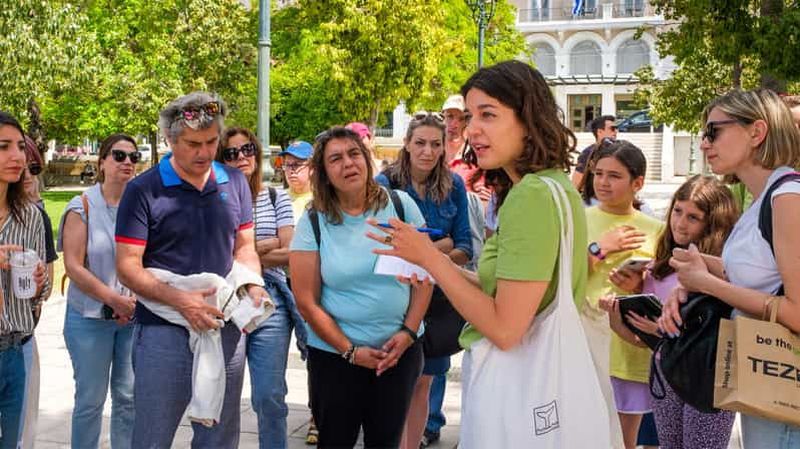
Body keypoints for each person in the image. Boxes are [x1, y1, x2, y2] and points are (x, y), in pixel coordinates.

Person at [365, 61, 603, 446]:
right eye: (471, 115)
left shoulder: (530, 196)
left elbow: (505, 328)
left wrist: (427, 258)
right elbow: (508, 286)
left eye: (488, 115)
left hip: (517, 386)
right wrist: (434, 261)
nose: (471, 129)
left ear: (528, 118)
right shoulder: (554, 186)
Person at [115, 92, 269, 448]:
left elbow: (244, 248)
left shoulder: (234, 181)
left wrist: (253, 287)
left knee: (219, 436)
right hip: (162, 331)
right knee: (153, 436)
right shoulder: (143, 189)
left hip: (223, 326)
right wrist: (182, 301)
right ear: (170, 140)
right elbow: (126, 266)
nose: (204, 152)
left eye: (212, 141)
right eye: (192, 144)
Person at [661, 88, 800, 448]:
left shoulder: (786, 198)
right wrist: (699, 270)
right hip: (764, 378)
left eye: (713, 131)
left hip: (784, 386)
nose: (704, 143)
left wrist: (708, 283)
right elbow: (764, 275)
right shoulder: (766, 196)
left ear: (757, 132)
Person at [289, 126, 431, 448]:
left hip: (398, 354)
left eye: (354, 154)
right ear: (324, 172)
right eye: (335, 159)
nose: (348, 164)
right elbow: (306, 301)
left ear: (366, 159)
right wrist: (350, 351)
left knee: (386, 441)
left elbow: (426, 276)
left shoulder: (401, 205)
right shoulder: (314, 220)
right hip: (335, 358)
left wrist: (408, 333)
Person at [602, 175, 738, 448]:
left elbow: (724, 332)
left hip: (708, 379)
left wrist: (666, 333)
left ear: (712, 224)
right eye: (677, 211)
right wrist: (625, 308)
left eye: (693, 217)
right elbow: (645, 340)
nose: (680, 222)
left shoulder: (724, 270)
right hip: (665, 373)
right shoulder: (659, 265)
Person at [375, 112, 472, 449]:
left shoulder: (454, 184)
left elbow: (464, 246)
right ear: (407, 143)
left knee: (424, 381)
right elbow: (382, 243)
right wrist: (436, 245)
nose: (428, 151)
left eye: (435, 144)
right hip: (396, 294)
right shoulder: (386, 183)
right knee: (395, 381)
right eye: (421, 143)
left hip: (437, 300)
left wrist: (421, 250)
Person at [216, 127, 307, 449]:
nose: (241, 157)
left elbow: (292, 252)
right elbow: (216, 254)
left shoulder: (275, 196)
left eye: (247, 149)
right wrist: (263, 247)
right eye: (231, 153)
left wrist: (245, 250)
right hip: (226, 301)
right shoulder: (216, 198)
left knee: (269, 394)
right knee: (222, 395)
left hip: (271, 299)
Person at [59, 133, 140, 449]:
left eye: (133, 157)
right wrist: (113, 299)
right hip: (89, 319)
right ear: (102, 162)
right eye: (119, 156)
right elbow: (73, 266)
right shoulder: (82, 206)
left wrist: (131, 302)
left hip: (131, 319)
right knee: (91, 401)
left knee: (128, 398)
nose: (127, 163)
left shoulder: (139, 206)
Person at [583, 140, 663, 449]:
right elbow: (561, 276)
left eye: (614, 176)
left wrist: (639, 286)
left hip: (629, 346)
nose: (603, 182)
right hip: (584, 337)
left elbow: (663, 289)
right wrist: (600, 249)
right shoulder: (578, 219)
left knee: (623, 439)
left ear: (638, 182)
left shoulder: (657, 229)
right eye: (598, 173)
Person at [0, 111, 49, 448]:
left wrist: (40, 279)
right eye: (3, 147)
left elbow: (38, 293)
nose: (17, 156)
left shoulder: (30, 215)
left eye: (20, 146)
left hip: (17, 349)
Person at [17, 135, 56, 449]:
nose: (27, 175)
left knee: (21, 433)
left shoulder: (36, 217)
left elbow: (43, 289)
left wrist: (39, 287)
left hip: (19, 340)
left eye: (33, 167)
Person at [441, 94, 491, 204]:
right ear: (443, 117)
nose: (454, 124)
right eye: (450, 116)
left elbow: (485, 198)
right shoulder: (433, 153)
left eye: (461, 119)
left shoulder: (476, 157)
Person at [572, 115, 618, 188]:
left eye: (616, 128)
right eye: (612, 129)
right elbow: (576, 183)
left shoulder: (619, 150)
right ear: (599, 132)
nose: (616, 131)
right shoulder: (588, 153)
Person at [279, 141, 315, 222]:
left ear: (312, 167)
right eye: (287, 164)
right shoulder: (278, 198)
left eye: (297, 164)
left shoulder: (322, 200)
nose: (291, 170)